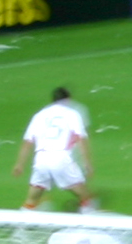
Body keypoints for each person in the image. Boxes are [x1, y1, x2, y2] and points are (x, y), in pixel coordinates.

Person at [11, 87, 98, 215]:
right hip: (60, 158)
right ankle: (89, 226)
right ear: (68, 99)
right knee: (86, 197)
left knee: (32, 199)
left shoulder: (39, 115)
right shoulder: (72, 114)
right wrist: (87, 163)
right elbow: (81, 138)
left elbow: (27, 142)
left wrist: (19, 164)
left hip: (41, 159)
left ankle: (20, 231)